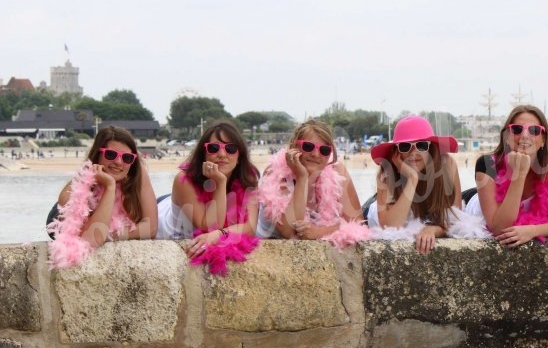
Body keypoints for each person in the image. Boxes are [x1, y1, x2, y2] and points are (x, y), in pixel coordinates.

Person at [157, 121, 260, 275]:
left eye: (230, 148)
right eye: (213, 148)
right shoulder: (183, 180)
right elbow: (209, 226)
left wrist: (220, 234)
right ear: (203, 153)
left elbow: (249, 228)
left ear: (239, 157)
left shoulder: (248, 179)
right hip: (166, 217)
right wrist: (220, 182)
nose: (222, 154)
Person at [48, 126, 157, 268]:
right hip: (59, 215)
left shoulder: (138, 174)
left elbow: (151, 228)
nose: (119, 162)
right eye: (111, 155)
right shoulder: (73, 192)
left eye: (127, 157)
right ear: (97, 155)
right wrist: (110, 186)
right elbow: (94, 238)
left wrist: (112, 234)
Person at [258, 119, 368, 247]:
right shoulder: (275, 172)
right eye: (308, 147)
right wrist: (302, 177)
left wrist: (319, 232)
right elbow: (288, 231)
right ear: (294, 147)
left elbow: (359, 225)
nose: (316, 154)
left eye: (325, 150)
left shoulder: (338, 172)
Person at [468, 105, 548, 246]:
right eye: (517, 129)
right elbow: (499, 229)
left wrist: (531, 231)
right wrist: (519, 175)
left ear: (543, 139)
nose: (525, 135)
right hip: (476, 205)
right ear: (507, 136)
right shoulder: (486, 165)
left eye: (534, 130)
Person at [367, 115, 462, 255]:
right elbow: (390, 227)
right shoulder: (387, 174)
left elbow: (456, 217)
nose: (414, 153)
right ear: (397, 152)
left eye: (421, 145)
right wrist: (412, 179)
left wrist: (433, 229)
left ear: (430, 148)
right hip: (377, 213)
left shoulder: (447, 165)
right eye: (405, 147)